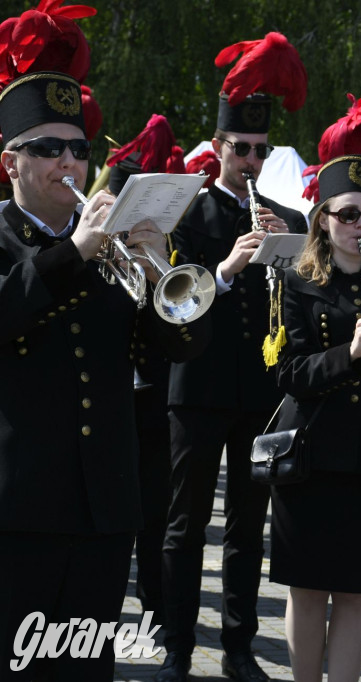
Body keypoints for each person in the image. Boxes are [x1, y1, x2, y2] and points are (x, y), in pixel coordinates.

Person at [0, 69, 209, 680]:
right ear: (10, 162)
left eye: (79, 149)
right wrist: (75, 253)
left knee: (86, 672)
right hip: (18, 508)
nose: (68, 162)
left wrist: (158, 265)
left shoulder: (111, 250)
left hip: (103, 507)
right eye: (48, 149)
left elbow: (184, 346)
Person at [158, 33, 308, 682]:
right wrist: (227, 266)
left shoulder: (279, 215)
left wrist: (286, 258)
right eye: (239, 149)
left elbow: (294, 304)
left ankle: (240, 646)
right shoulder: (188, 210)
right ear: (217, 149)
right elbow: (174, 296)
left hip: (256, 392)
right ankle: (176, 644)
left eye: (258, 151)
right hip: (195, 386)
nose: (249, 159)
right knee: (185, 526)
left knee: (249, 528)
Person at [272, 143, 361, 680]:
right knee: (308, 591)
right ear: (323, 219)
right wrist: (350, 352)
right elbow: (288, 375)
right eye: (348, 214)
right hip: (311, 457)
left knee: (357, 593)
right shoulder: (297, 282)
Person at [103, 114, 189, 626]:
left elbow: (185, 335)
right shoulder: (89, 255)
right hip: (112, 407)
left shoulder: (158, 249)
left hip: (156, 401)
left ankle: (156, 611)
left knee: (157, 513)